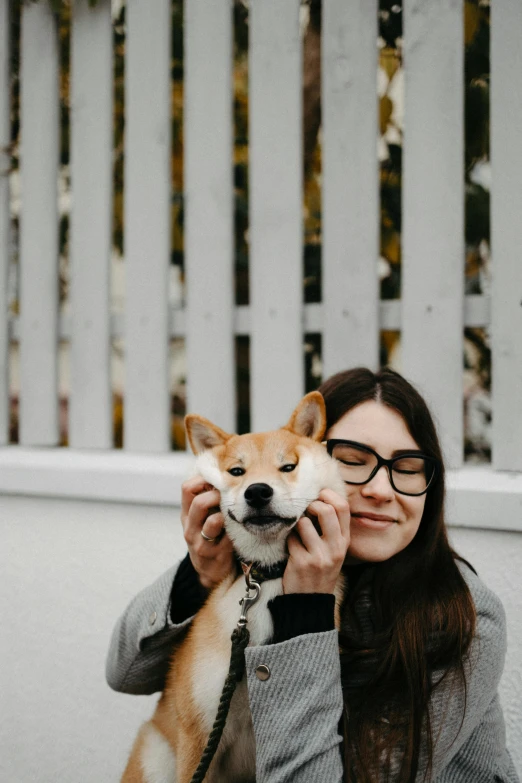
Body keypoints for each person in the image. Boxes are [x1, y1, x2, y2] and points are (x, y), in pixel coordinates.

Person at [106, 367, 519, 783]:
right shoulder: (259, 560)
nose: (381, 489)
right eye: (353, 461)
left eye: (408, 467)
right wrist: (198, 576)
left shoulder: (465, 617)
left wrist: (305, 612)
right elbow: (126, 673)